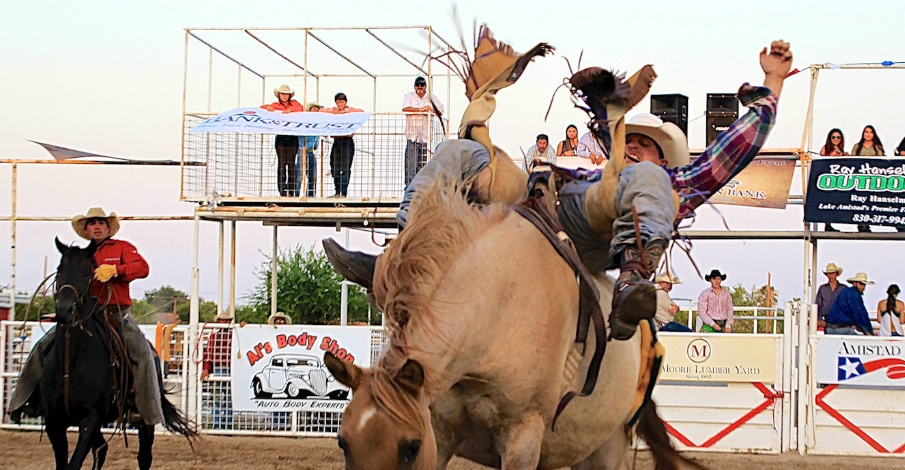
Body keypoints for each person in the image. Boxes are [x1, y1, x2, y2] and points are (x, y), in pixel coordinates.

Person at [324, 40, 793, 342]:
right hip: (539, 206)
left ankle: (633, 282)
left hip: (599, 231)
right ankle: (402, 250)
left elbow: (737, 145)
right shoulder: (584, 164)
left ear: (665, 157)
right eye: (629, 140)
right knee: (461, 152)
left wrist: (772, 82)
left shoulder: (673, 182)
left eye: (645, 146)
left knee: (641, 186)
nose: (632, 148)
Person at [8, 207, 165, 424]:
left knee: (142, 353)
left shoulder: (122, 248)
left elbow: (142, 268)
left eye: (101, 223)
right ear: (86, 229)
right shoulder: (79, 255)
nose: (97, 227)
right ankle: (25, 401)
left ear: (108, 227)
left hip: (116, 314)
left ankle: (145, 409)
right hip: (83, 315)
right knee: (43, 346)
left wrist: (115, 270)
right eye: (92, 223)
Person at [261, 85, 304, 197]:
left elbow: (301, 108)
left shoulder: (294, 103)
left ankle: (291, 190)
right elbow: (262, 107)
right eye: (282, 94)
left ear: (289, 95)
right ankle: (282, 191)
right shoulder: (275, 105)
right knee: (281, 164)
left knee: (291, 164)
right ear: (279, 95)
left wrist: (289, 110)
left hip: (292, 136)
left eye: (286, 94)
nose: (284, 96)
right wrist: (269, 108)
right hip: (281, 136)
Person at [403, 76, 444, 187]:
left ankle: (421, 189)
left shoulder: (431, 97)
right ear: (414, 86)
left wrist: (430, 110)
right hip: (412, 135)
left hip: (426, 137)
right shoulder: (409, 96)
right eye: (418, 85)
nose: (420, 88)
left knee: (423, 165)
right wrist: (420, 110)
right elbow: (405, 108)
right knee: (410, 165)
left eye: (422, 85)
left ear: (425, 87)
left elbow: (441, 110)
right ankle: (409, 189)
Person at [321, 92, 363, 197]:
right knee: (334, 167)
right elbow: (321, 111)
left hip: (347, 141)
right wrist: (334, 112)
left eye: (342, 101)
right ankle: (337, 191)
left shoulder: (350, 111)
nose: (340, 104)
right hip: (336, 141)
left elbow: (361, 112)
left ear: (346, 102)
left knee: (345, 168)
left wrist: (344, 112)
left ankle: (343, 192)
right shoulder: (333, 111)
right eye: (338, 102)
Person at [818, 130, 846, 231]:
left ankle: (830, 223)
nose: (836, 139)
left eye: (838, 137)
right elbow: (821, 159)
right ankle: (827, 224)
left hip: (838, 179)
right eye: (833, 137)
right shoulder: (826, 148)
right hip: (827, 178)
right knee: (827, 201)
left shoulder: (842, 149)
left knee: (835, 201)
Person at [295, 103, 322, 197]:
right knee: (299, 175)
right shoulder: (303, 122)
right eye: (314, 109)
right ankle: (296, 195)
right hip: (302, 149)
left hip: (310, 150)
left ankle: (310, 196)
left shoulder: (319, 123)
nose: (316, 111)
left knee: (312, 176)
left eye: (317, 109)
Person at [814, 262, 847, 329]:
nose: (830, 275)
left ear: (836, 274)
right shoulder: (822, 288)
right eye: (829, 273)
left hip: (841, 321)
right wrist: (819, 320)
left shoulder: (843, 288)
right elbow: (818, 305)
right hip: (826, 321)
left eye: (832, 273)